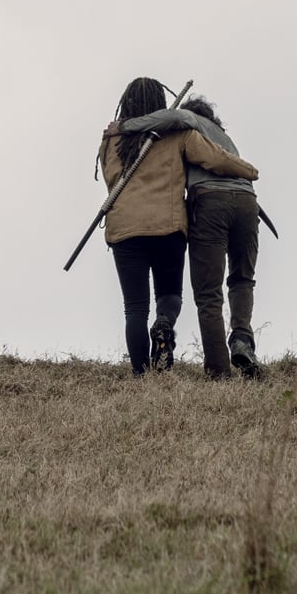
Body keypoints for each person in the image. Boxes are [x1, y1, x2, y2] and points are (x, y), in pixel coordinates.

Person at [97, 77, 259, 376]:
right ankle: (165, 324)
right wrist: (249, 170)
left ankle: (141, 375)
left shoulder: (110, 140)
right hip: (167, 227)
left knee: (134, 308)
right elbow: (215, 159)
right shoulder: (176, 135)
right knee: (169, 294)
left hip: (124, 228)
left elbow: (109, 179)